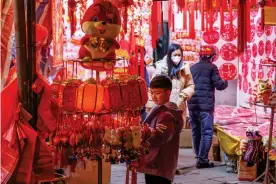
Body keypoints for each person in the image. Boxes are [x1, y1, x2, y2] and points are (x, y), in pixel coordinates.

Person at [137, 75, 184, 184]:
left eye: (157, 93)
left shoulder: (166, 115)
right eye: (152, 93)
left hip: (159, 164)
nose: (153, 96)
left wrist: (146, 133)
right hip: (155, 164)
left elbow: (160, 137)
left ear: (168, 93)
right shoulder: (159, 110)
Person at [187, 45, 228, 168]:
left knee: (196, 132)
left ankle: (198, 156)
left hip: (192, 105)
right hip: (205, 106)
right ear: (212, 56)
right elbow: (219, 85)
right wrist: (225, 81)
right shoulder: (212, 67)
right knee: (207, 132)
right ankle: (203, 160)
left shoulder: (192, 68)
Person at [146, 43, 194, 126]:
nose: (177, 57)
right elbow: (153, 88)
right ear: (169, 55)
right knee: (162, 132)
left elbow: (190, 86)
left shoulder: (185, 68)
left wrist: (182, 96)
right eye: (175, 55)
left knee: (177, 134)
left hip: (178, 107)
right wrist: (150, 107)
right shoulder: (161, 68)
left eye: (179, 55)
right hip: (162, 108)